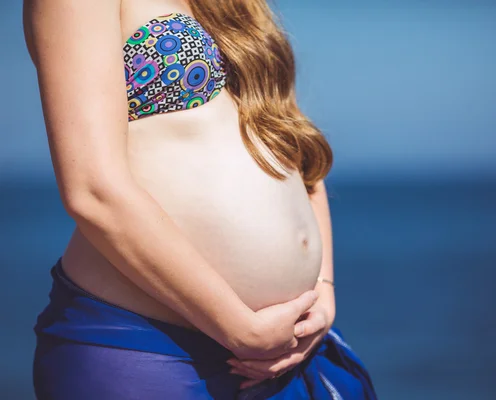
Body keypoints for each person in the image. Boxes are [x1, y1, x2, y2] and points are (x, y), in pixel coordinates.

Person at [24, 0, 377, 398]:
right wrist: (238, 329)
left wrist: (322, 294)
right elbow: (93, 190)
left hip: (289, 352)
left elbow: (295, 146)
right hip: (146, 349)